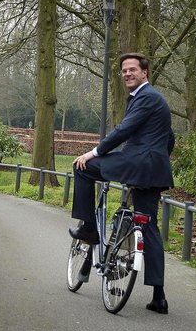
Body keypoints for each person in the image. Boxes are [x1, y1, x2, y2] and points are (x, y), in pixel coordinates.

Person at [69, 52, 174, 315]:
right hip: (155, 171)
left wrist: (94, 152)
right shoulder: (157, 101)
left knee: (81, 168)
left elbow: (123, 131)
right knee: (148, 227)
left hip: (135, 163)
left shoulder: (146, 97)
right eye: (124, 70)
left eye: (132, 70)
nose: (127, 74)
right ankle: (158, 297)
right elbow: (169, 139)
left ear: (144, 73)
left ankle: (90, 228)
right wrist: (156, 160)